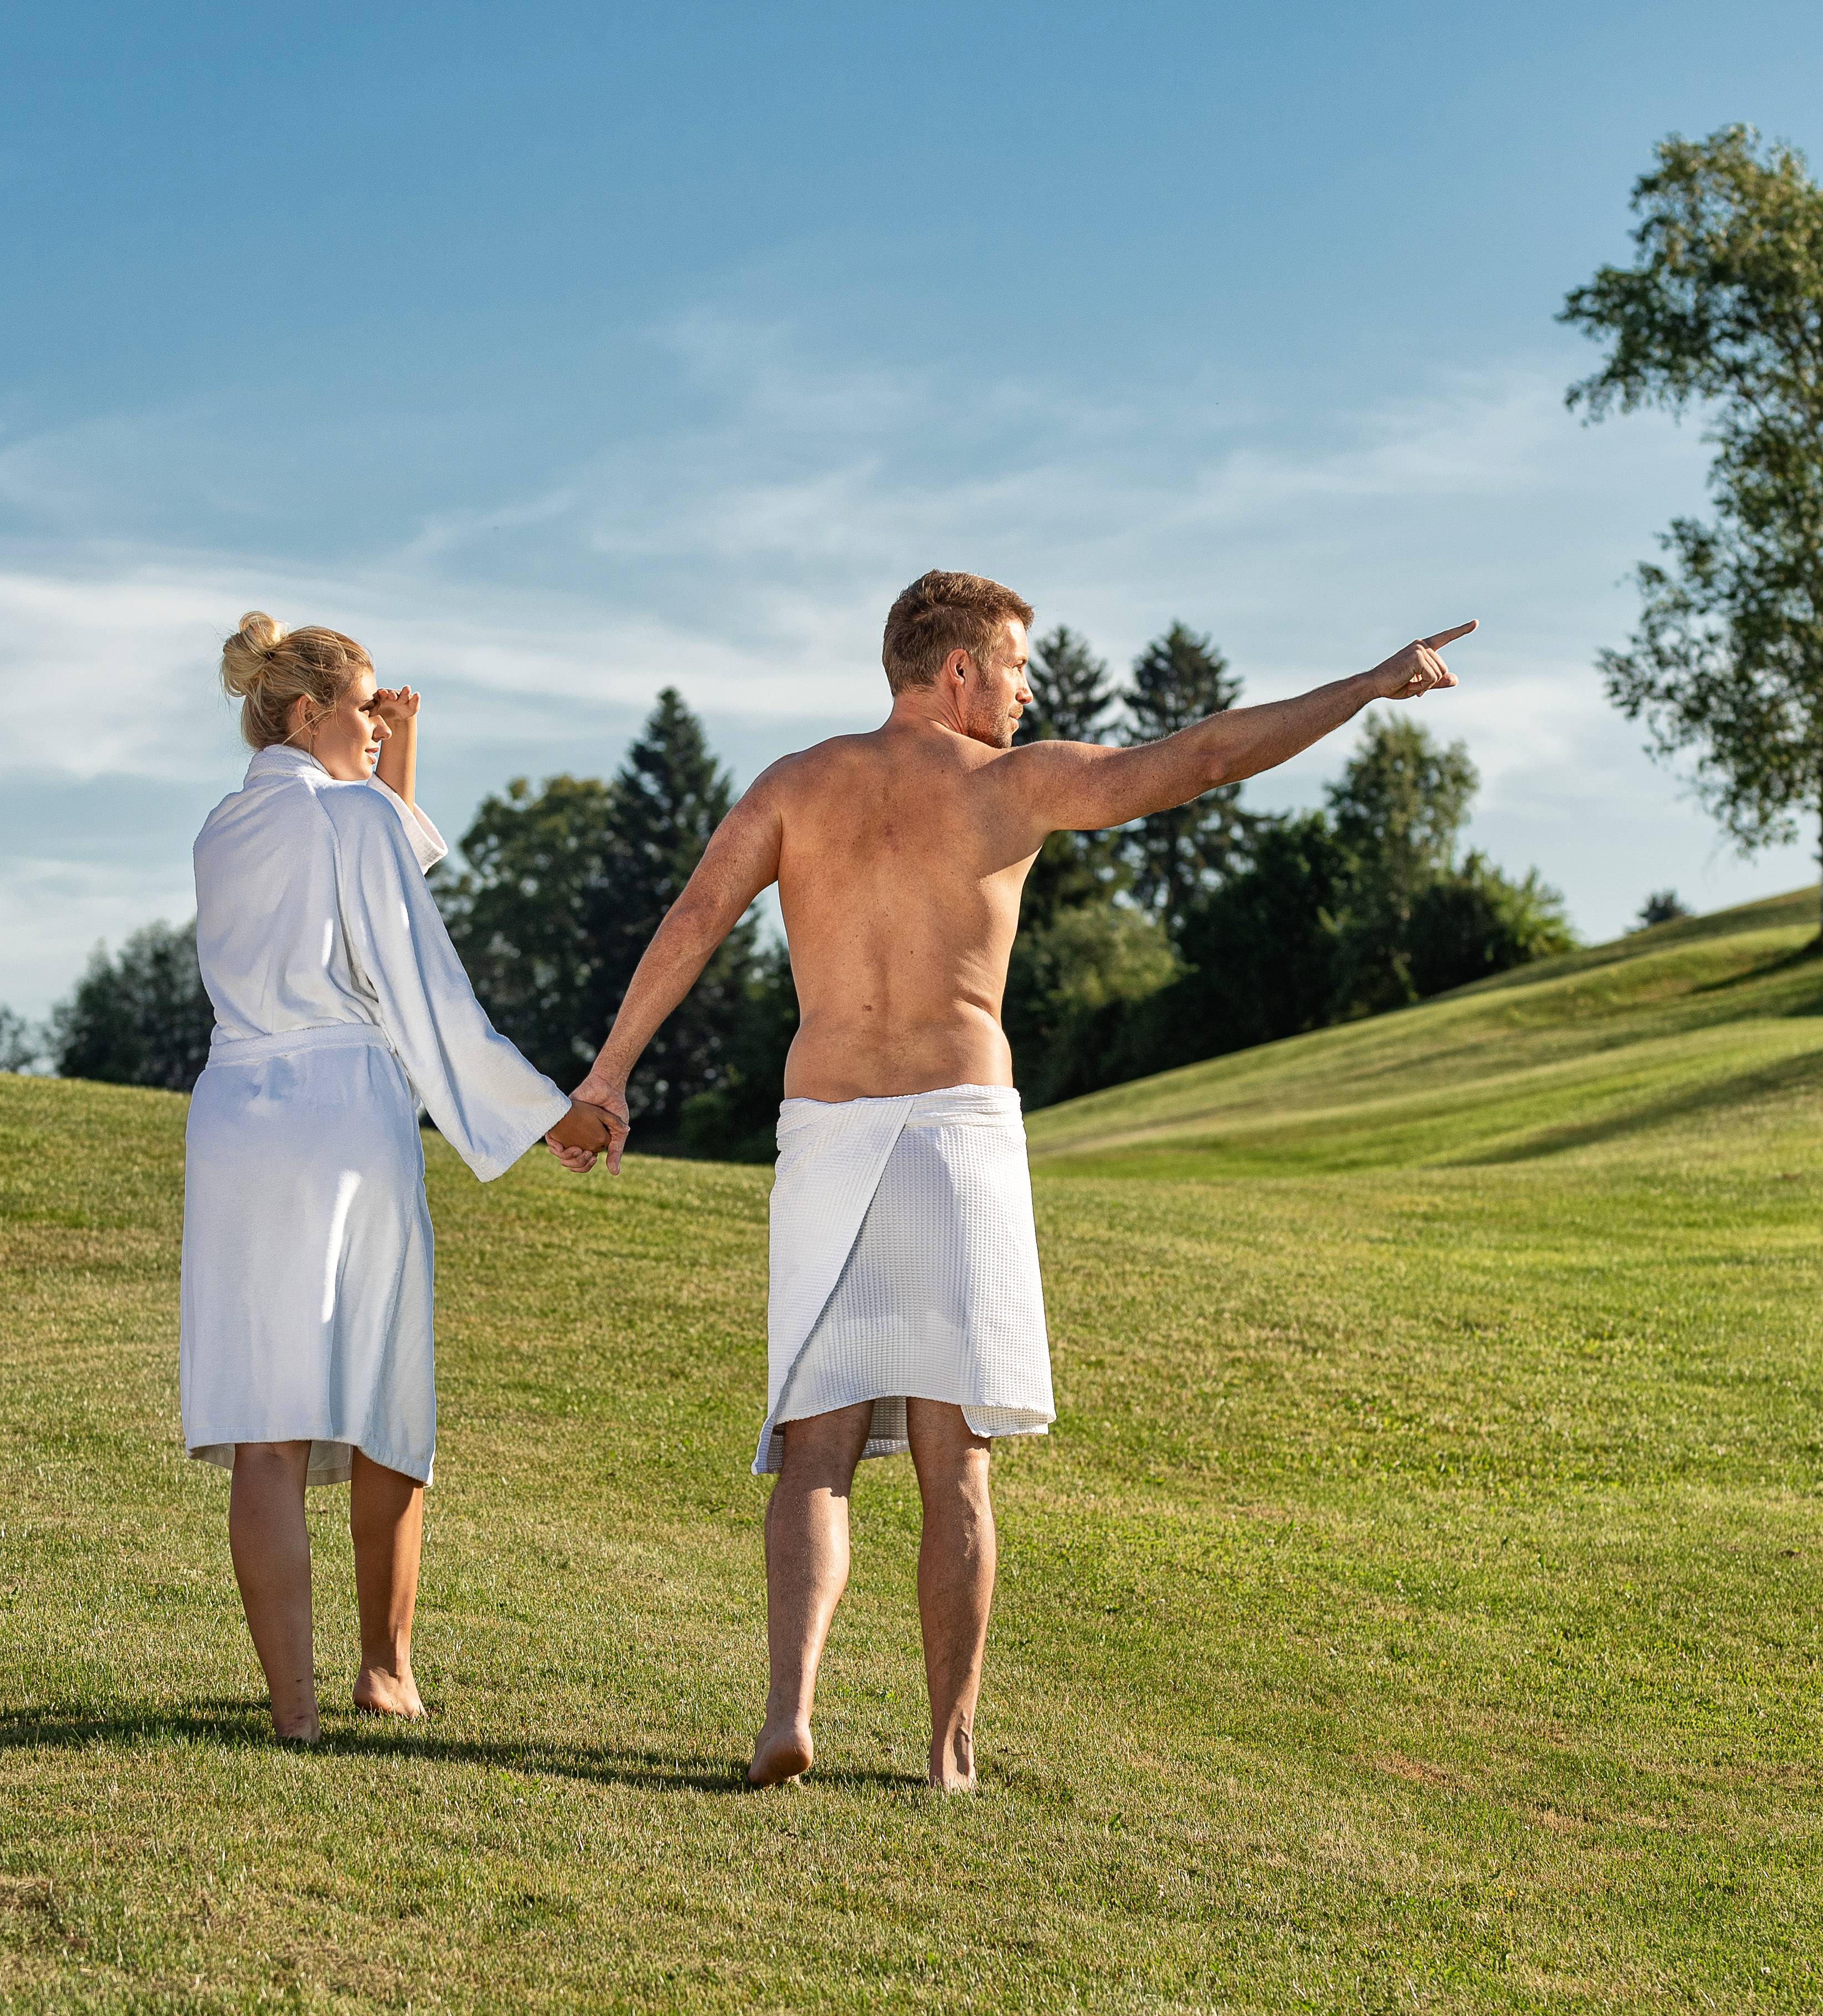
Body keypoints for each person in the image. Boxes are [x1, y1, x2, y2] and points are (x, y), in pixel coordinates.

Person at [571, 571, 1470, 1790]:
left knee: (814, 1442)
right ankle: (945, 1748)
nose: (1026, 687)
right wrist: (1366, 686)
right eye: (1013, 664)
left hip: (827, 1126)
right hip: (955, 1130)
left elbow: (693, 916)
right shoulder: (1010, 782)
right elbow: (1200, 758)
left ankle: (788, 1706)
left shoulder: (792, 784)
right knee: (956, 1458)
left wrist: (609, 1075)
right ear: (957, 672)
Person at [183, 612, 617, 1743]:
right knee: (383, 1394)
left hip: (237, 1119)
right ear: (303, 712)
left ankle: (291, 1710)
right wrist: (544, 1112)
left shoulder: (224, 827)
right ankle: (384, 1669)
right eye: (365, 709)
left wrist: (392, 766)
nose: (380, 726)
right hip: (341, 1115)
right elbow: (418, 979)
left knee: (263, 1422)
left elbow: (361, 867)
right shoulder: (356, 815)